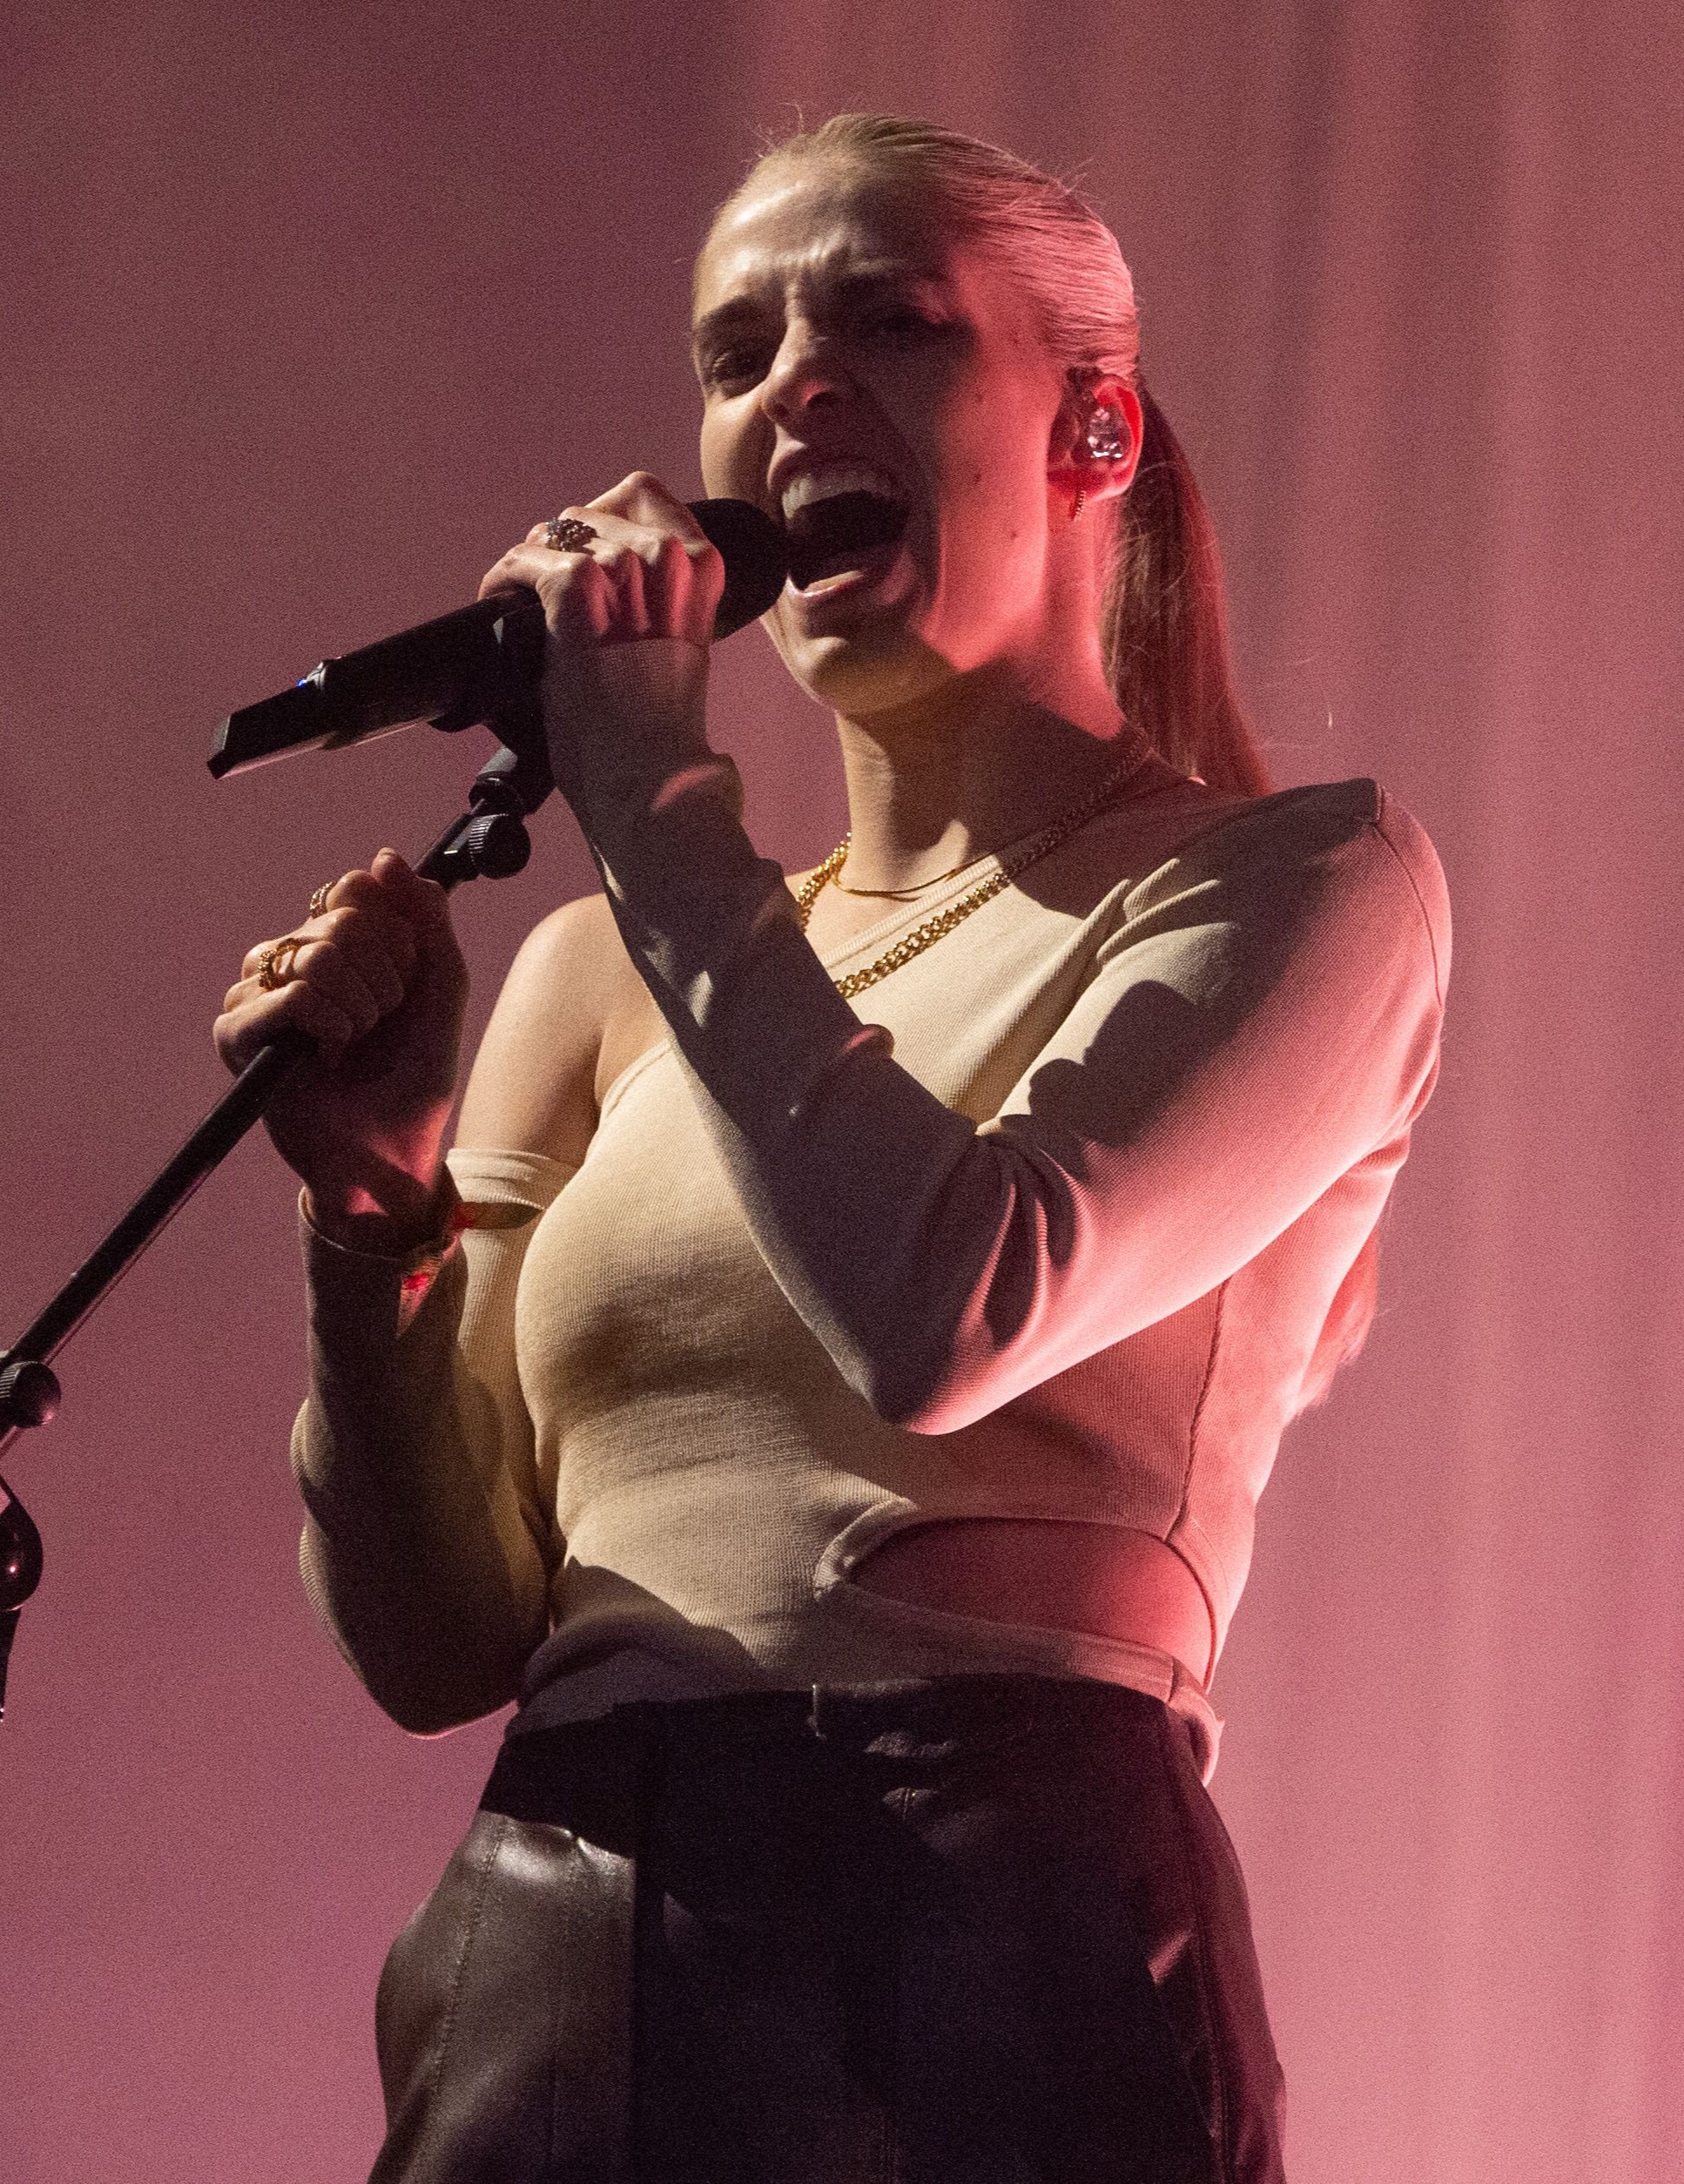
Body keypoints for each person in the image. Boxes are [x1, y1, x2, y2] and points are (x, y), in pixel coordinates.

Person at [213, 113, 1447, 2184]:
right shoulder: (602, 976)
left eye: (888, 320)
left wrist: (654, 797)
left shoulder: (1297, 887)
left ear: (1093, 436)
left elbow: (953, 1308)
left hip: (1001, 1905)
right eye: (733, 345)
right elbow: (434, 1643)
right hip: (571, 1899)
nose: (790, 386)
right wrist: (368, 1214)